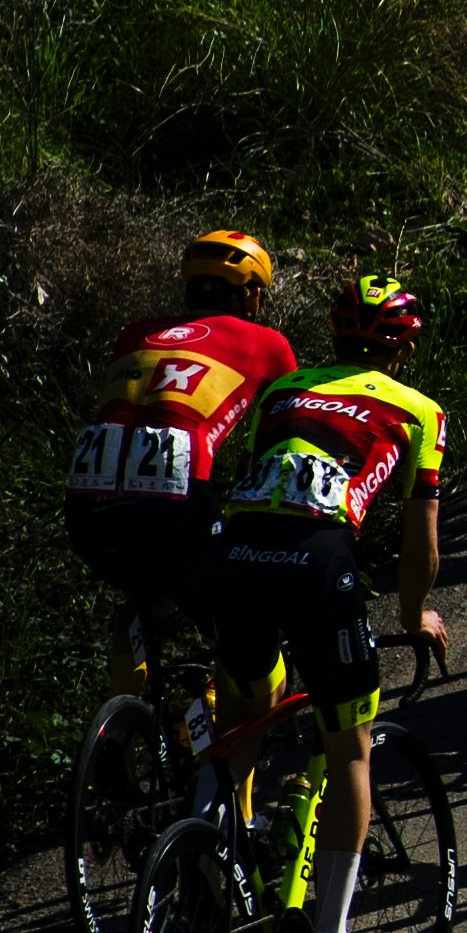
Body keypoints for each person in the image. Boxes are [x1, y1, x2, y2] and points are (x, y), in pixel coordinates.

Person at [203, 272, 450, 933]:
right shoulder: (418, 410)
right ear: (402, 349)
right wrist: (413, 616)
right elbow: (419, 544)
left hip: (237, 552)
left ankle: (206, 863)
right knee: (350, 748)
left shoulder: (283, 391)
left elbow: (256, 480)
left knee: (242, 715)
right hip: (317, 561)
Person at [67, 231, 301, 709]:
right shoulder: (267, 342)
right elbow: (284, 440)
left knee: (146, 594)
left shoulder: (134, 334)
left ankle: (120, 733)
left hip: (86, 505)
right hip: (176, 503)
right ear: (252, 294)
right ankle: (237, 778)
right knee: (239, 630)